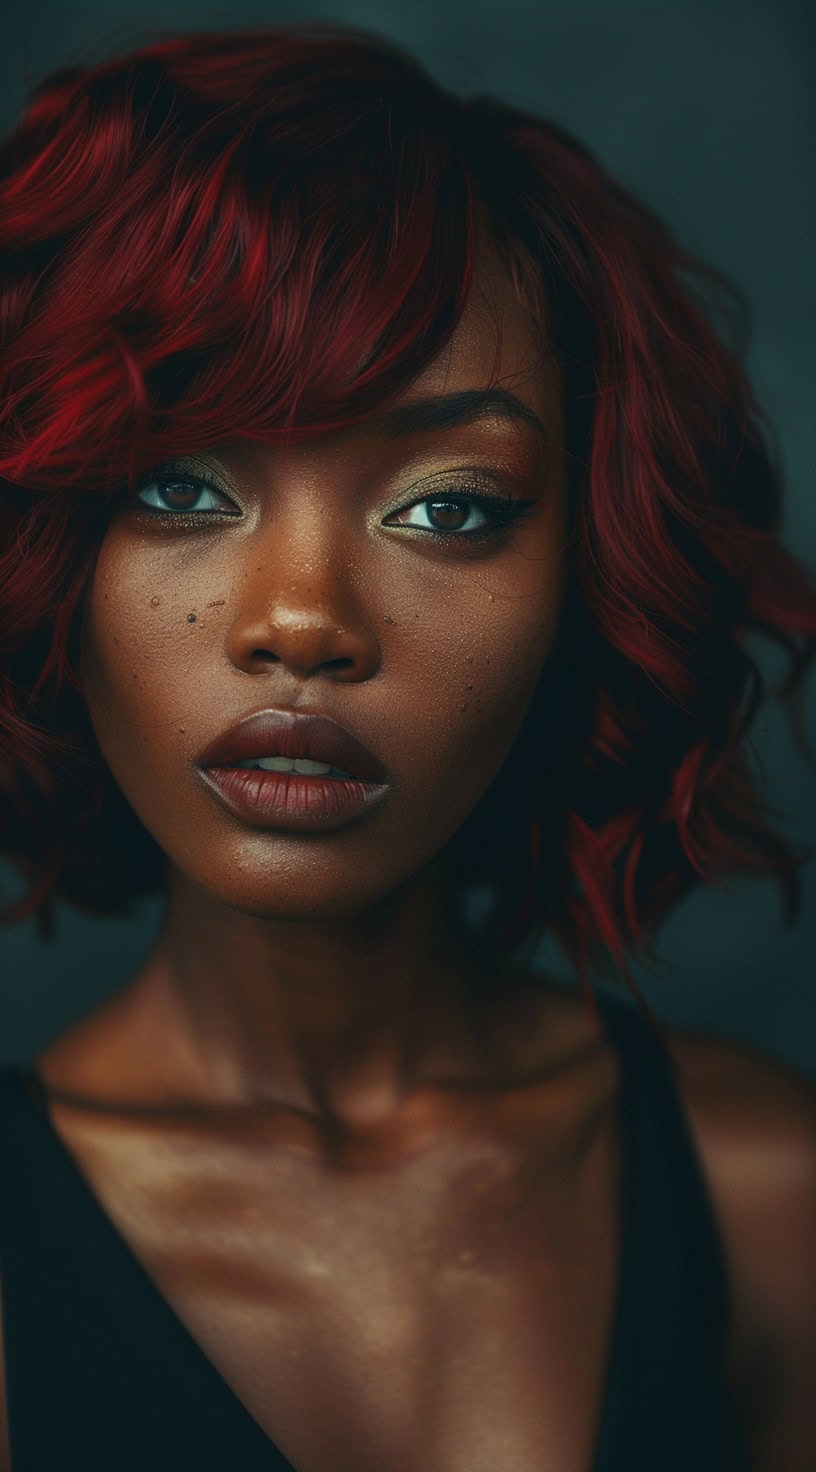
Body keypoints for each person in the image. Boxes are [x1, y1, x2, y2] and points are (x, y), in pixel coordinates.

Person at [0, 21, 814, 1472]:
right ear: (48, 551)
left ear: (586, 575)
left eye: (448, 506)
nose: (301, 621)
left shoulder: (772, 1197)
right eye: (179, 485)